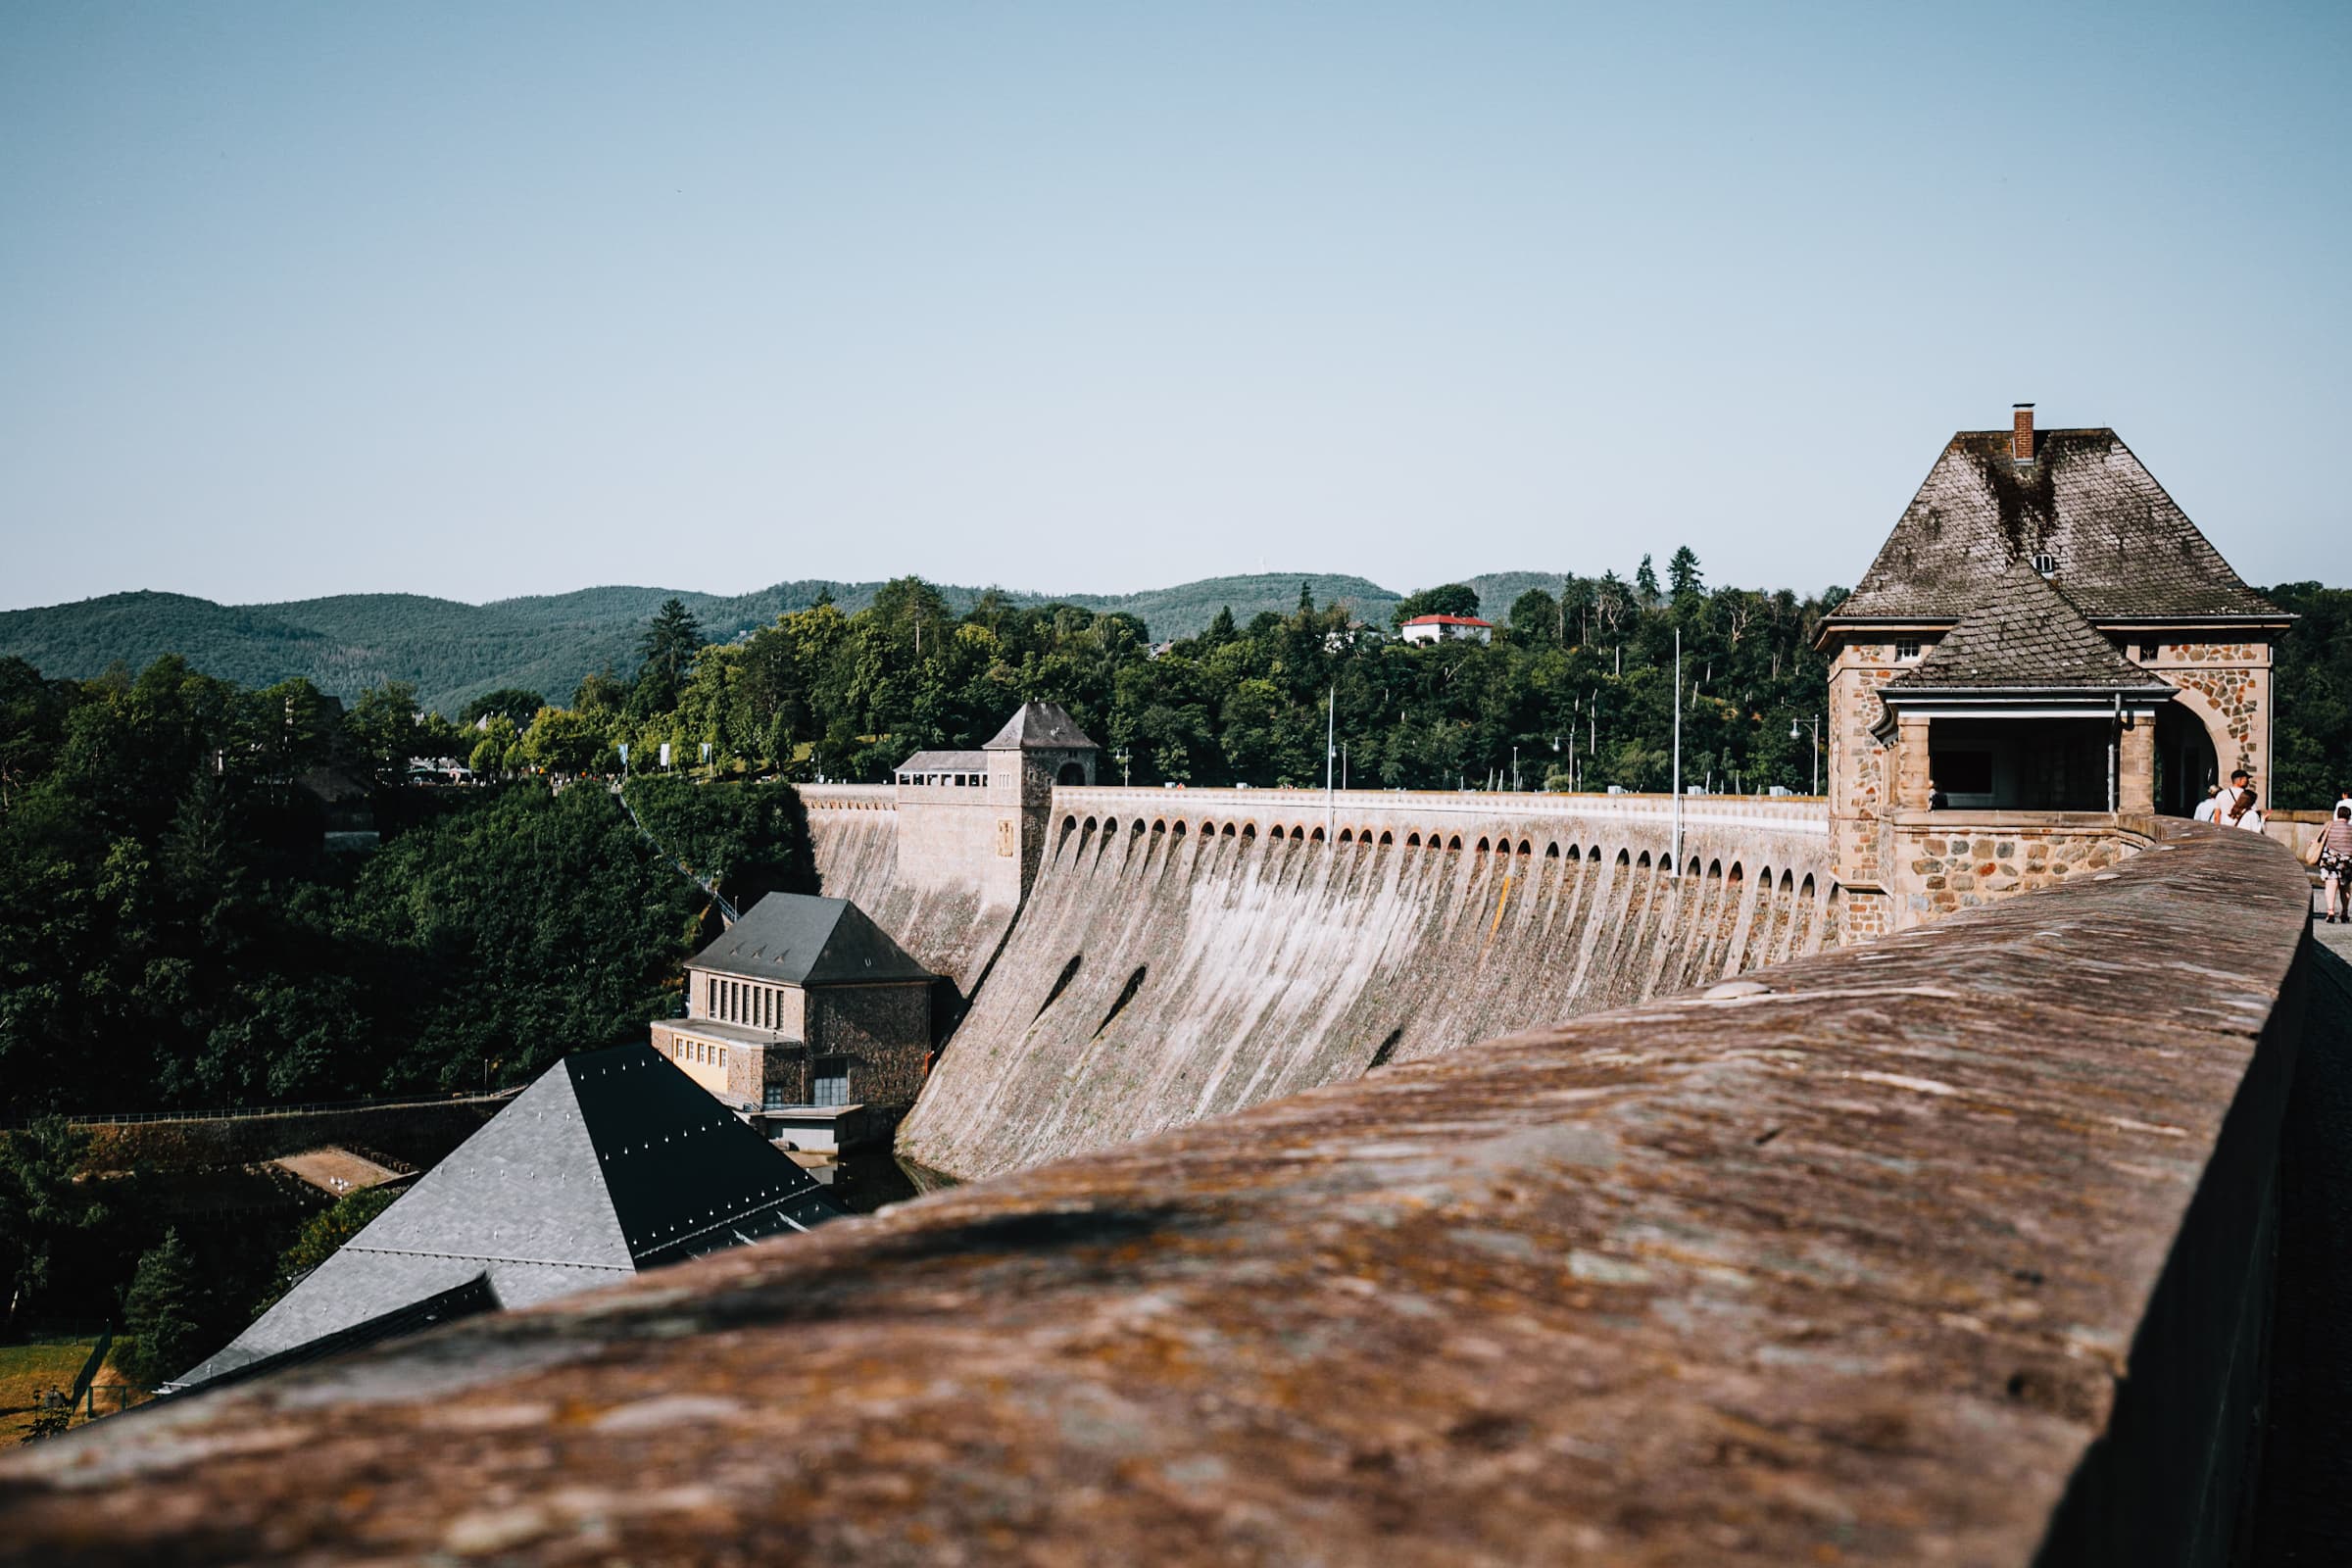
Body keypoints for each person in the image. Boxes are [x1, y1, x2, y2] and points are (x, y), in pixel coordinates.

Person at [2320, 803, 2352, 923]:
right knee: (2345, 887)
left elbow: (2320, 840)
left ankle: (2331, 912)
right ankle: (2344, 912)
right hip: (2347, 861)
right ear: (2349, 817)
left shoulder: (2330, 826)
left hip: (2330, 860)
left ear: (2337, 815)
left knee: (2331, 885)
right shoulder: (2351, 829)